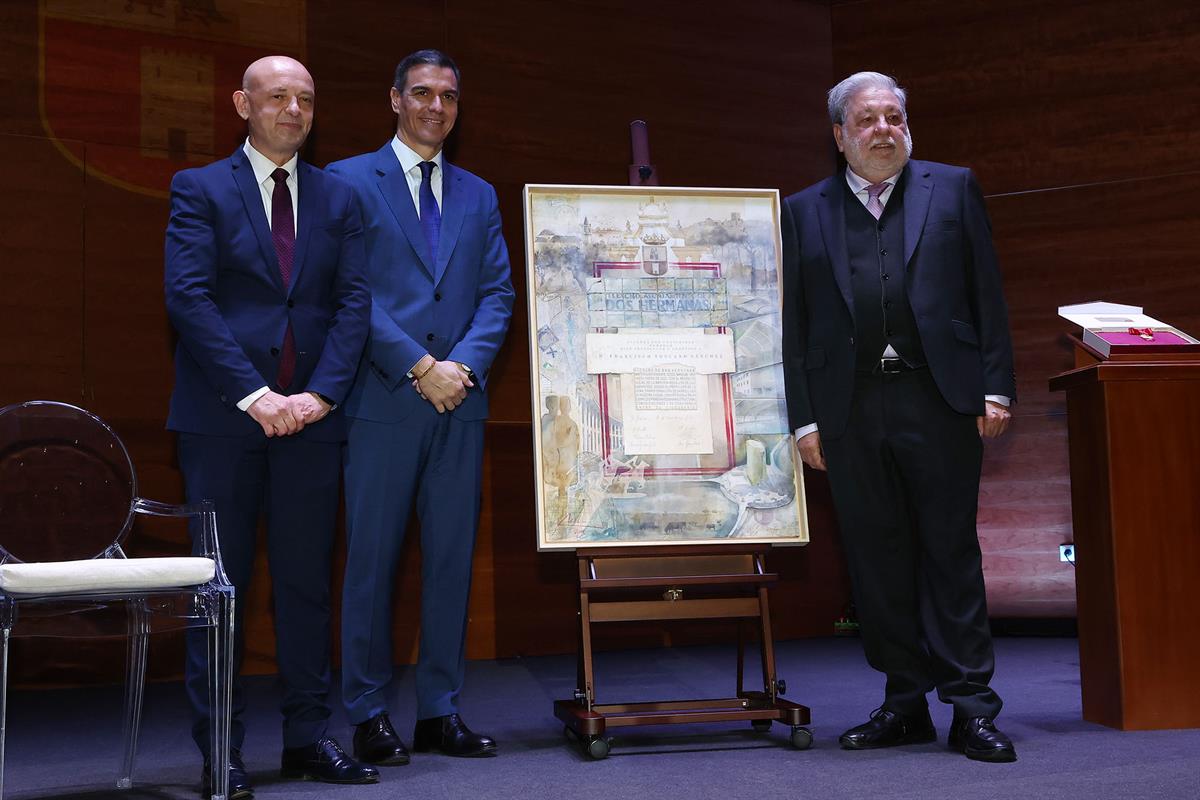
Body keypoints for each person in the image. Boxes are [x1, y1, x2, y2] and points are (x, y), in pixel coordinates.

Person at [781, 71, 1018, 763]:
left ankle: (972, 707)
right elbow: (795, 326)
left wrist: (996, 387)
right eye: (868, 120)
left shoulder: (954, 187)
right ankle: (904, 702)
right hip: (850, 408)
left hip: (939, 399)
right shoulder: (803, 212)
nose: (884, 129)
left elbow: (987, 295)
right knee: (877, 561)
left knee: (950, 554)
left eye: (894, 116)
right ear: (839, 135)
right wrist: (804, 420)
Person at [164, 55, 377, 797]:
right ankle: (220, 752)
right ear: (242, 105)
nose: (293, 108)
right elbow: (189, 300)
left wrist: (318, 395)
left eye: (306, 98)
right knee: (220, 589)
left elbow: (354, 305)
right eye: (278, 96)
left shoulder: (339, 198)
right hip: (223, 421)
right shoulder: (198, 189)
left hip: (315, 419)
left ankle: (308, 738)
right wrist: (257, 395)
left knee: (306, 585)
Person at [327, 48, 514, 767]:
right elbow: (349, 293)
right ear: (396, 100)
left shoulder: (478, 193)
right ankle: (369, 713)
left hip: (460, 404)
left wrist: (459, 368)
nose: (437, 106)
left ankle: (440, 710)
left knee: (450, 564)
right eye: (423, 93)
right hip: (383, 400)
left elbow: (498, 293)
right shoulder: (345, 181)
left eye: (449, 96)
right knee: (372, 565)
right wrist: (419, 365)